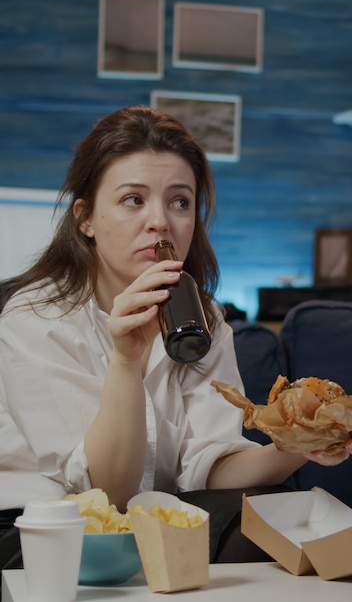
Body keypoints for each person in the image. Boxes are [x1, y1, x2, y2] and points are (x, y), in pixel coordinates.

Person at [0, 106, 350, 579]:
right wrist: (127, 359)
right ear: (85, 218)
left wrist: (298, 443)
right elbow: (107, 490)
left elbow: (210, 465)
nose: (160, 222)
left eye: (180, 202)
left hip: (153, 518)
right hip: (43, 525)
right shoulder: (36, 318)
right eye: (133, 199)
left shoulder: (202, 317)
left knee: (272, 516)